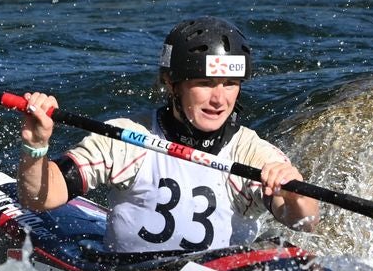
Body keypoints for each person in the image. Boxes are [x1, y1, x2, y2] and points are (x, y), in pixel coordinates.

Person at [17, 16, 318, 253]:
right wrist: (36, 146)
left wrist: (293, 192)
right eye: (205, 83)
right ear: (171, 83)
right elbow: (41, 199)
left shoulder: (252, 152)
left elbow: (304, 222)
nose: (219, 99)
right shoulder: (127, 138)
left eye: (230, 83)